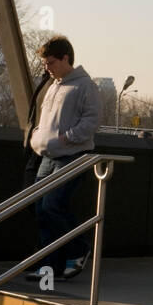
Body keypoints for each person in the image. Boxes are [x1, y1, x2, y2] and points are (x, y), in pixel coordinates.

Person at [24, 37, 99, 282]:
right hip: (48, 157)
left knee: (52, 206)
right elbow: (45, 121)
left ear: (66, 58)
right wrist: (37, 137)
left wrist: (67, 139)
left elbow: (91, 121)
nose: (47, 67)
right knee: (41, 210)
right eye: (45, 62)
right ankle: (50, 266)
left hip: (72, 156)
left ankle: (78, 249)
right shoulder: (53, 85)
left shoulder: (85, 86)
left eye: (51, 62)